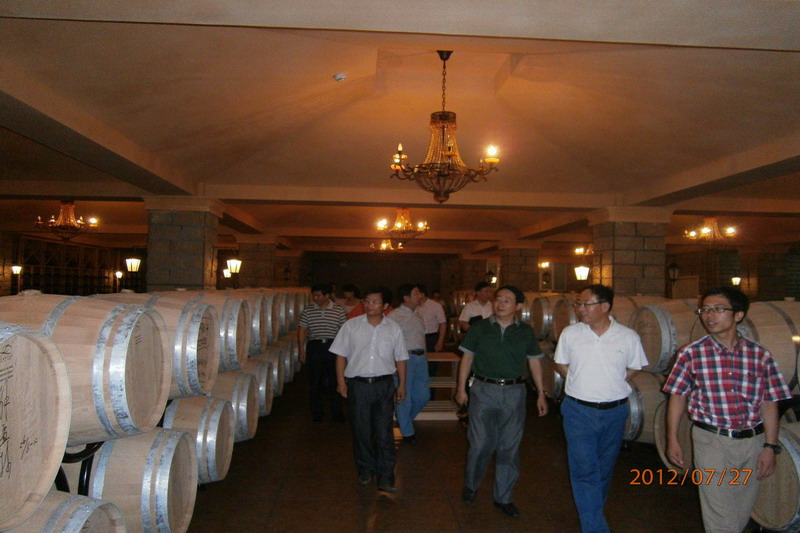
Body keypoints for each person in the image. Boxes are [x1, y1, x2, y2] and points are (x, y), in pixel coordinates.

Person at [663, 286, 791, 533]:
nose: (710, 315)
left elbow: (769, 401)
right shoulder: (691, 353)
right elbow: (677, 397)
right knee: (720, 515)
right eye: (705, 310)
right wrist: (673, 439)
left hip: (753, 441)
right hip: (712, 441)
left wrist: (770, 445)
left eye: (719, 309)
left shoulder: (760, 355)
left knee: (742, 509)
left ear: (738, 315)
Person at [554, 284, 647, 533]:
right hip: (578, 411)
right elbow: (561, 363)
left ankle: (592, 512)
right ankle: (595, 527)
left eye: (587, 304)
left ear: (605, 306)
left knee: (604, 468)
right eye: (579, 304)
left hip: (615, 411)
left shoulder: (628, 336)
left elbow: (635, 366)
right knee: (584, 470)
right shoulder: (570, 334)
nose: (581, 309)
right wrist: (579, 380)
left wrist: (612, 381)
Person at [456, 285, 548, 518]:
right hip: (483, 390)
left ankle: (504, 497)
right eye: (498, 299)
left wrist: (540, 392)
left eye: (507, 300)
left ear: (518, 306)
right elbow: (467, 358)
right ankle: (471, 484)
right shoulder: (479, 328)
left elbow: (535, 362)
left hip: (514, 392)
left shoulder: (526, 332)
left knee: (509, 446)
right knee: (480, 444)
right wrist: (461, 388)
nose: (500, 303)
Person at [332, 287, 408, 494]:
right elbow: (340, 355)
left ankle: (386, 477)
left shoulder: (393, 328)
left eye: (375, 302)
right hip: (358, 385)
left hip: (384, 385)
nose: (369, 305)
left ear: (385, 306)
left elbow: (401, 358)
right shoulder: (351, 326)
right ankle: (365, 469)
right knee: (361, 430)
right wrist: (341, 381)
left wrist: (402, 384)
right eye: (366, 301)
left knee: (384, 432)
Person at [297, 283, 347, 422]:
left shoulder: (338, 310)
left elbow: (344, 331)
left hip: (333, 346)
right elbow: (303, 330)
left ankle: (337, 412)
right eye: (313, 295)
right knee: (315, 381)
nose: (315, 298)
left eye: (318, 295)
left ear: (327, 295)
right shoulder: (308, 310)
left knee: (335, 380)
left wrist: (344, 351)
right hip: (315, 346)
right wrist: (301, 349)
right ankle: (317, 413)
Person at [389, 284, 430, 444]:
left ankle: (404, 420)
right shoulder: (394, 316)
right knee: (404, 396)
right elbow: (389, 342)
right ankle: (407, 432)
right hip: (404, 359)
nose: (419, 295)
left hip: (421, 358)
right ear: (405, 298)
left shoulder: (418, 313)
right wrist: (393, 363)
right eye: (416, 293)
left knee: (423, 395)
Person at [417, 284, 447, 354]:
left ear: (422, 294)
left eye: (416, 293)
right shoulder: (414, 306)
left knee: (431, 359)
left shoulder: (435, 306)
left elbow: (443, 323)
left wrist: (440, 341)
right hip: (416, 337)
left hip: (431, 337)